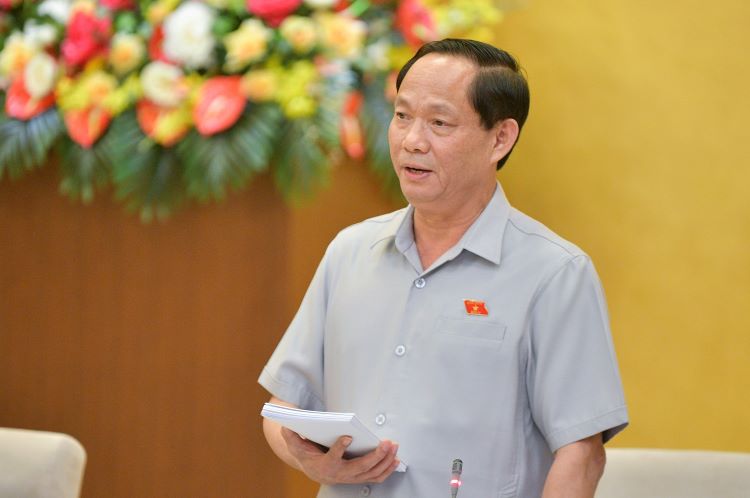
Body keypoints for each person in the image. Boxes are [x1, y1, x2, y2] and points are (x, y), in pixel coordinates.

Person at [259, 38, 628, 498]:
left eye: (439, 122)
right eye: (402, 116)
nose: (412, 141)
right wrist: (311, 460)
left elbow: (582, 453)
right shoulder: (349, 251)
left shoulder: (555, 273)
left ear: (500, 138)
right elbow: (283, 406)